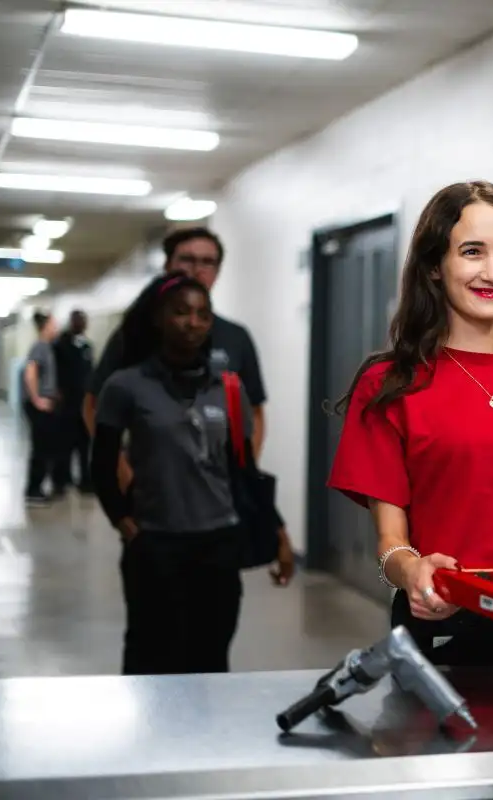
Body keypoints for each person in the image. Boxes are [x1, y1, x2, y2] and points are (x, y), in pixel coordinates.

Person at [328, 181, 493, 666]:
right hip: (443, 624)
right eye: (472, 252)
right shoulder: (391, 386)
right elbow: (392, 544)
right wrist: (414, 572)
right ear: (435, 266)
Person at [91, 274, 294, 675]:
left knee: (210, 657)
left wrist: (277, 531)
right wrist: (122, 521)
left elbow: (244, 471)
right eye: (181, 312)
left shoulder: (230, 389)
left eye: (203, 314)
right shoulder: (126, 386)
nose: (192, 322)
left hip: (217, 544)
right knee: (150, 655)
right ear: (159, 319)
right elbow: (101, 462)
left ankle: (204, 736)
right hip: (156, 542)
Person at [84, 227, 269, 494]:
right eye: (187, 259)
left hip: (220, 498)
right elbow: (93, 405)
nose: (197, 270)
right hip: (154, 495)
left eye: (208, 262)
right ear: (168, 265)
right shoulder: (135, 334)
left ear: (217, 272)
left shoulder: (235, 337)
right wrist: (124, 474)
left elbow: (254, 412)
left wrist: (243, 474)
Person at [53, 309, 96, 494]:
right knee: (64, 445)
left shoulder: (87, 346)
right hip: (66, 403)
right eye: (78, 321)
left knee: (84, 446)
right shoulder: (60, 345)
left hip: (84, 402)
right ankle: (61, 481)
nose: (81, 324)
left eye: (83, 321)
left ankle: (85, 481)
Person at [22, 310, 62, 506]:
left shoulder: (47, 347)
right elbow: (30, 373)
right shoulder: (39, 346)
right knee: (40, 449)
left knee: (45, 448)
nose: (57, 328)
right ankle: (33, 490)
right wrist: (37, 399)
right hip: (40, 405)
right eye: (54, 324)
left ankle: (37, 488)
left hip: (47, 403)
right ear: (45, 326)